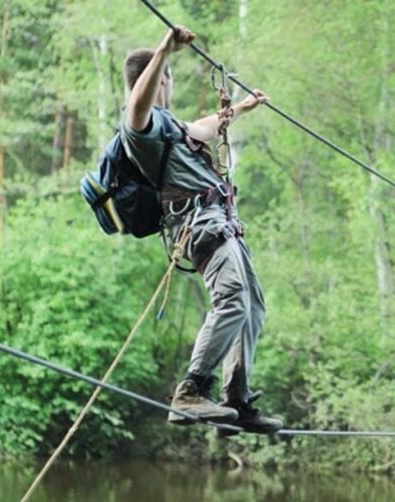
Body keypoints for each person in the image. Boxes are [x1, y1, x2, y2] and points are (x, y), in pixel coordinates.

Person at [120, 25, 281, 435]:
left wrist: (240, 109)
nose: (169, 85)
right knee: (232, 299)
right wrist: (163, 52)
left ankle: (236, 400)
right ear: (159, 80)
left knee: (252, 307)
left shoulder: (172, 127)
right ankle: (190, 391)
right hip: (200, 225)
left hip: (224, 224)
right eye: (166, 78)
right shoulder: (141, 126)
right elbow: (137, 105)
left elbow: (203, 128)